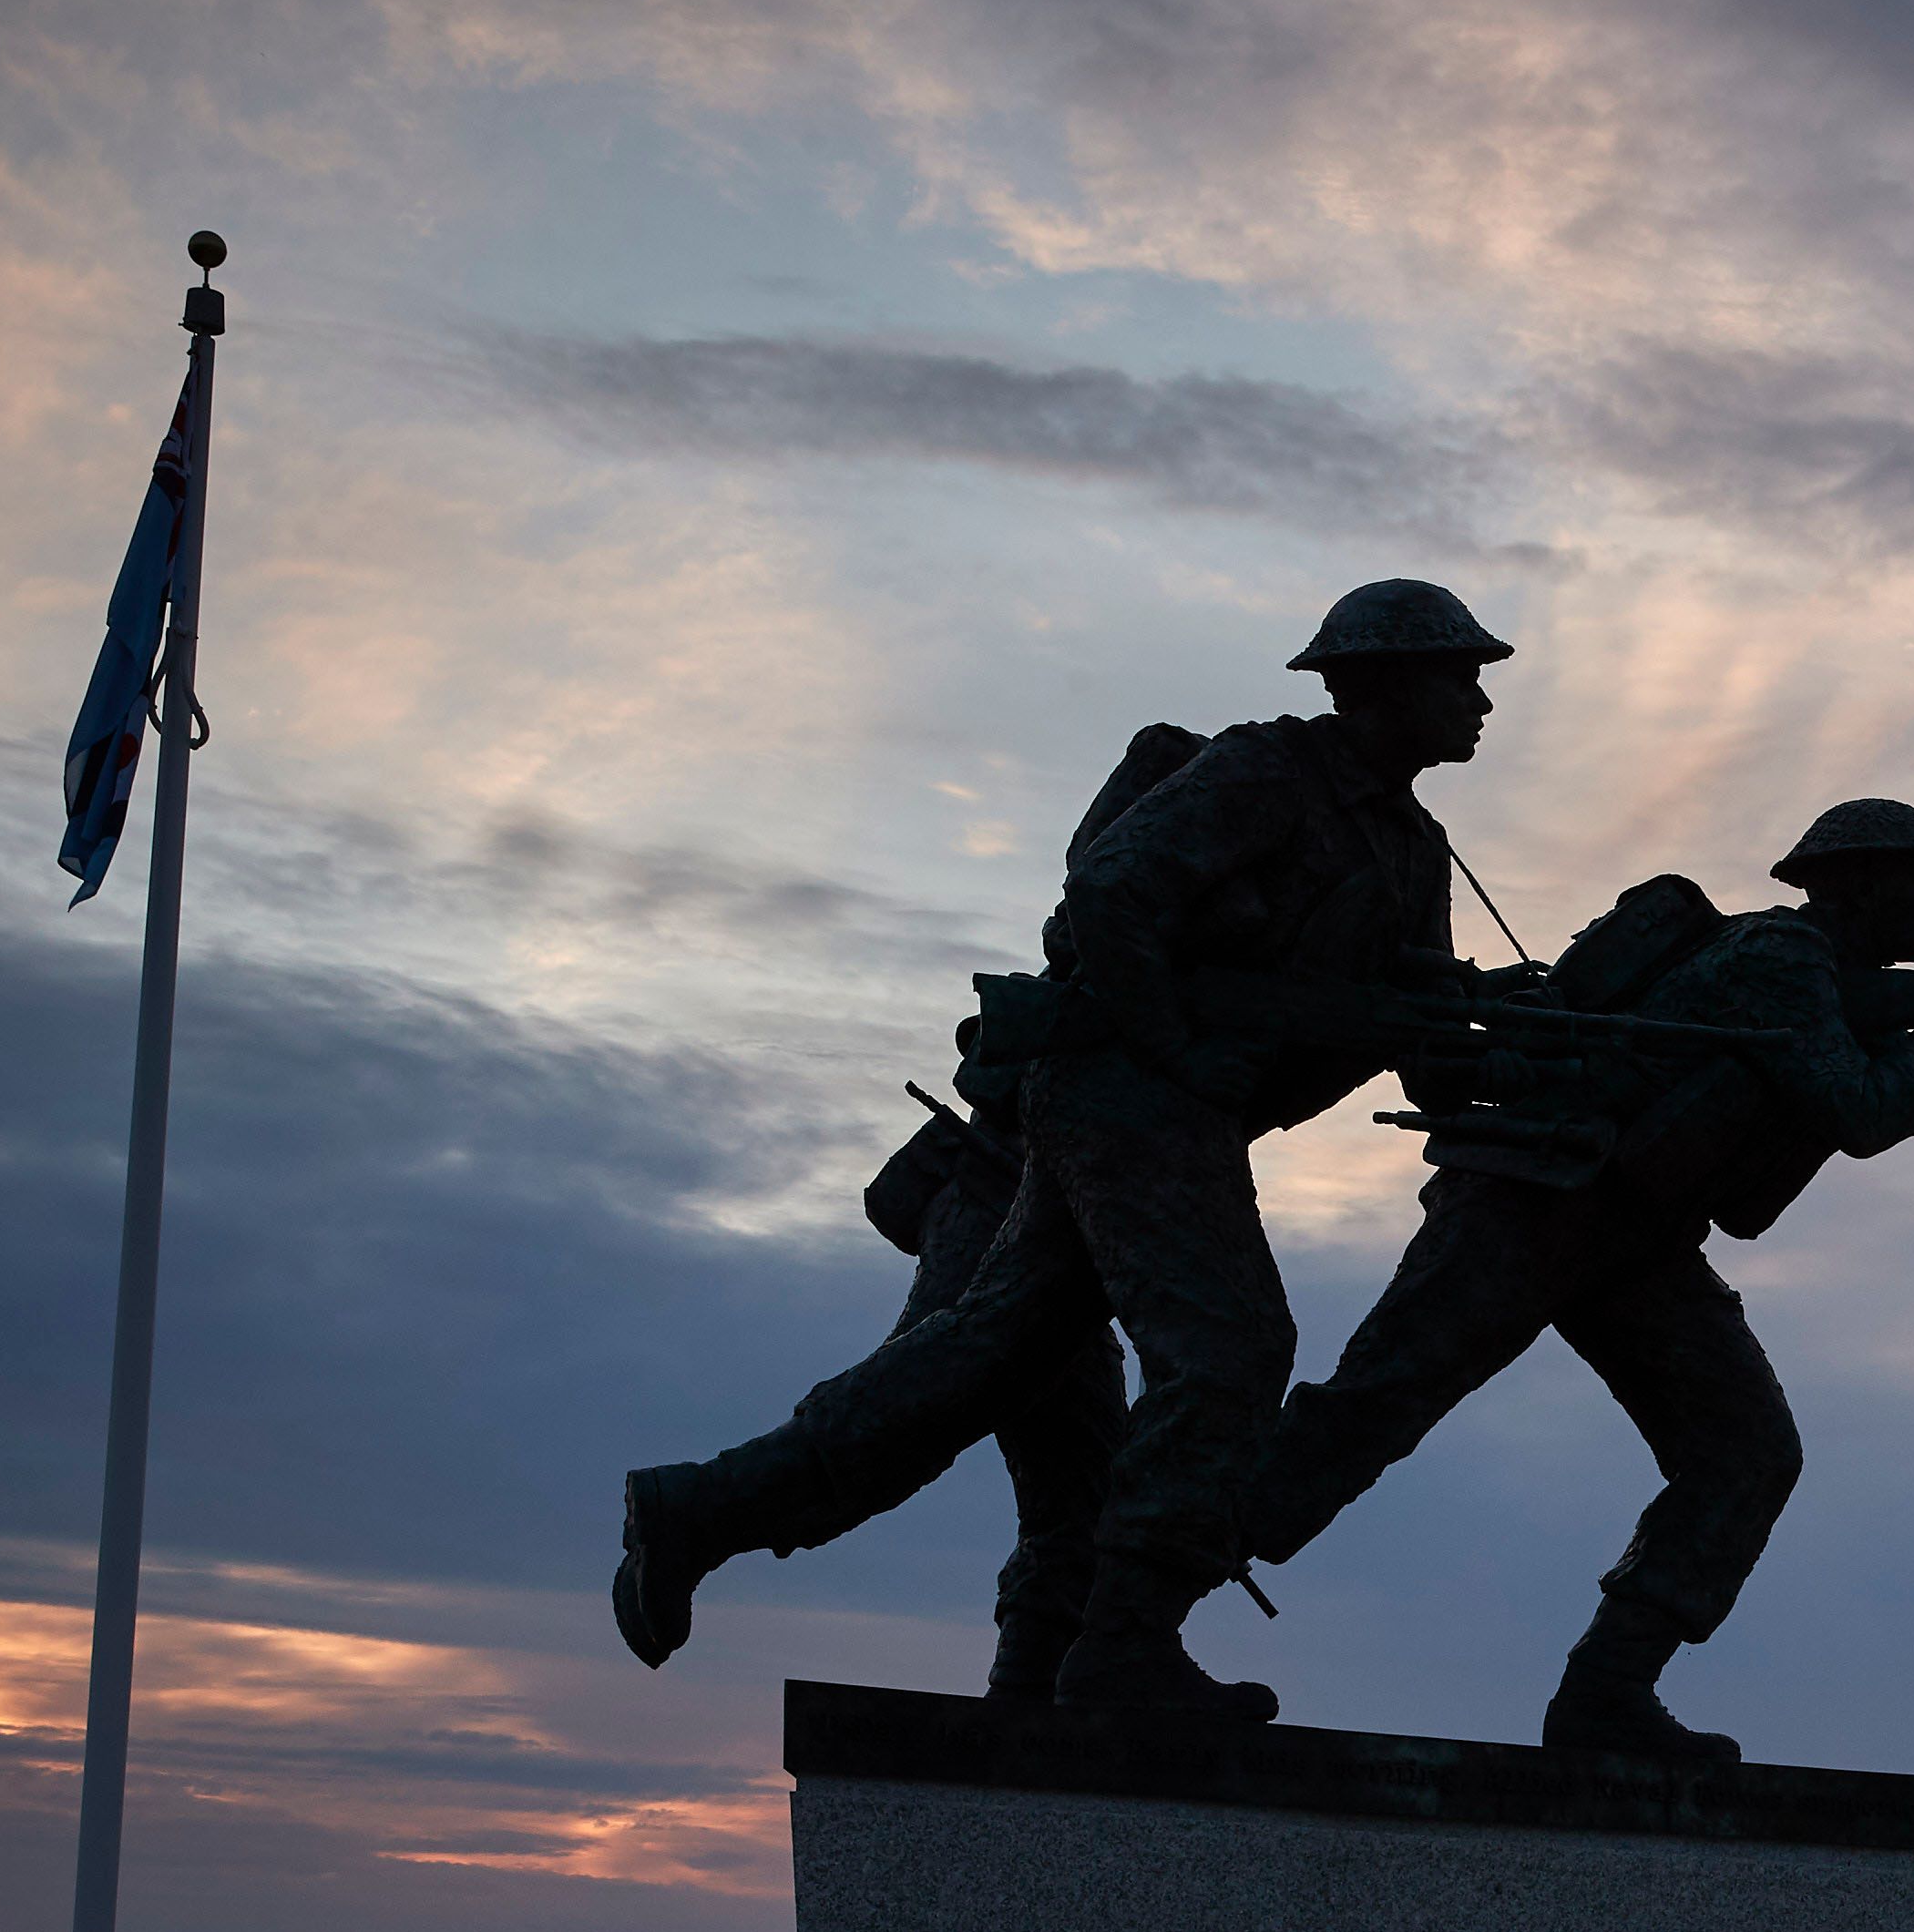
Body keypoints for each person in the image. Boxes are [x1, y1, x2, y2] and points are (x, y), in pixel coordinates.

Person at [612, 579, 1512, 1716]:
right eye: (1459, 674)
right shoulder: (1268, 773)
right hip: (1124, 1092)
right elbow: (1110, 888)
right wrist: (1179, 1048)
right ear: (1382, 685)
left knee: (979, 1359)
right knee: (1230, 1347)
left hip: (1160, 1112)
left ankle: (704, 1509)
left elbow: (1425, 1052)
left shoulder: (1408, 845)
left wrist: (1524, 1037)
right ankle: (1124, 1642)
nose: (1480, 700)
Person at [1237, 796, 1914, 1761]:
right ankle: (1124, 1612)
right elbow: (1859, 1111)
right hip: (1535, 1203)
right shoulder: (1777, 957)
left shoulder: (1845, 1000)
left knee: (1744, 1453)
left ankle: (1608, 1693)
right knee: (1370, 1410)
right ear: (1856, 886)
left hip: (1637, 1237)